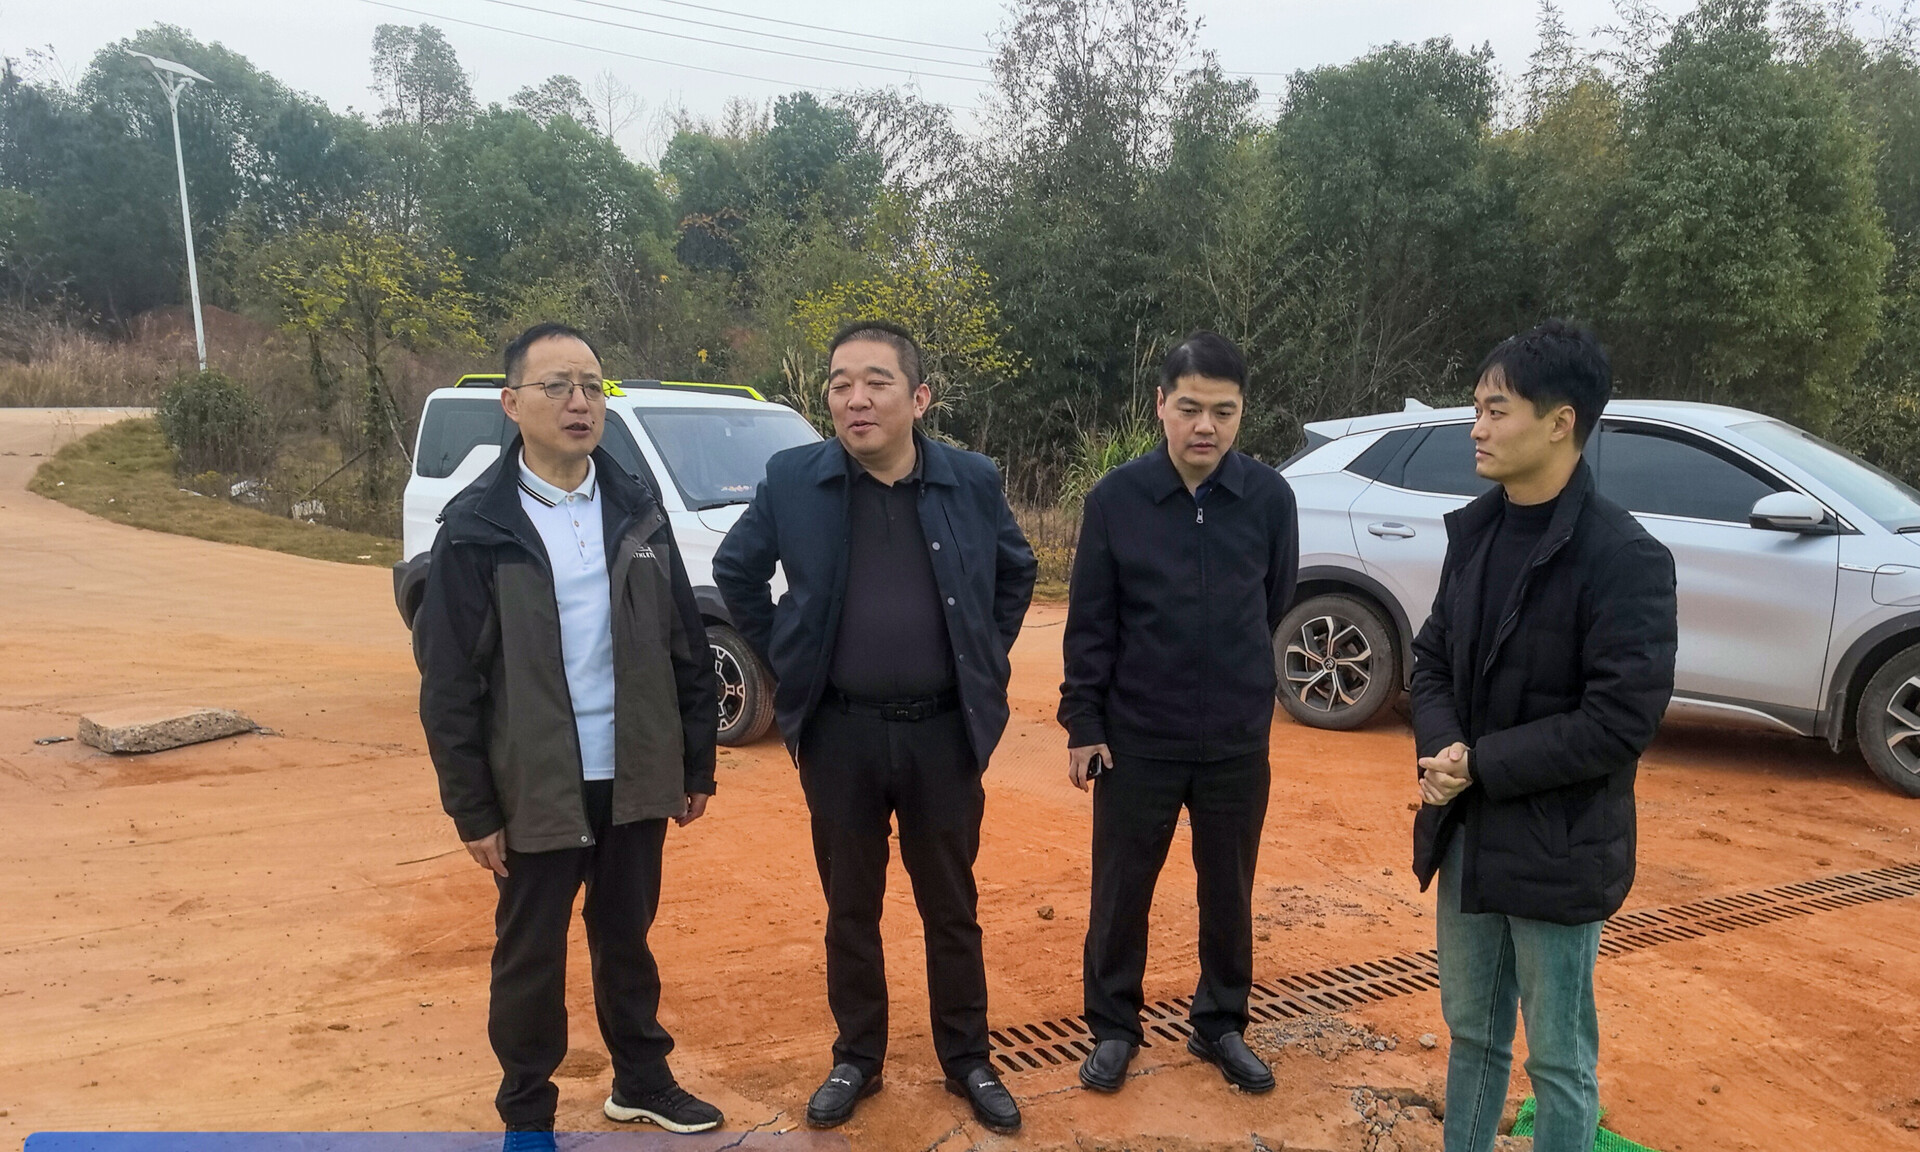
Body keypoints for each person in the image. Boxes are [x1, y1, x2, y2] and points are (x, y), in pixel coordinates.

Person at [713, 320, 1037, 1135]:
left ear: (918, 397)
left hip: (942, 736)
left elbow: (1017, 569)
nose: (855, 399)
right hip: (840, 736)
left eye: (876, 382)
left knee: (951, 907)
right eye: (839, 383)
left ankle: (968, 1059)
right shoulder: (794, 480)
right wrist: (790, 659)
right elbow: (735, 570)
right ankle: (857, 1056)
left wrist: (980, 656)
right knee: (850, 910)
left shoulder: (970, 479)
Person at [415, 322, 724, 1145]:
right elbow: (449, 684)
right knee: (530, 956)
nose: (578, 401)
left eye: (591, 385)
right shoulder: (476, 528)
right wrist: (473, 808)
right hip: (533, 784)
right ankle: (527, 1114)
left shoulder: (637, 509)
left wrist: (695, 763)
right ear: (512, 403)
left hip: (633, 774)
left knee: (627, 938)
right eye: (556, 385)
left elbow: (686, 644)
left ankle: (642, 1082)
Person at [1409, 320, 1677, 1152]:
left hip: (1560, 846)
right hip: (1469, 831)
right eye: (1476, 410)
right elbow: (1431, 660)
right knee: (1474, 1036)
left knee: (1559, 1058)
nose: (1476, 428)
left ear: (1561, 422)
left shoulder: (1624, 557)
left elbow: (1618, 721)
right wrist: (1446, 749)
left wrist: (1480, 763)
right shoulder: (1476, 535)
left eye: (1496, 411)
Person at [1058, 331, 1299, 1095]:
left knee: (1228, 891)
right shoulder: (1117, 500)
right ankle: (1113, 1027)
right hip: (1138, 739)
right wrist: (1084, 723)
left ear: (1242, 413)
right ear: (1160, 404)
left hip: (1235, 742)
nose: (1205, 426)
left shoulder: (1269, 499)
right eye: (1190, 407)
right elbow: (1090, 623)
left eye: (1223, 412)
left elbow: (1272, 602)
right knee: (1121, 891)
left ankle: (1220, 1023)